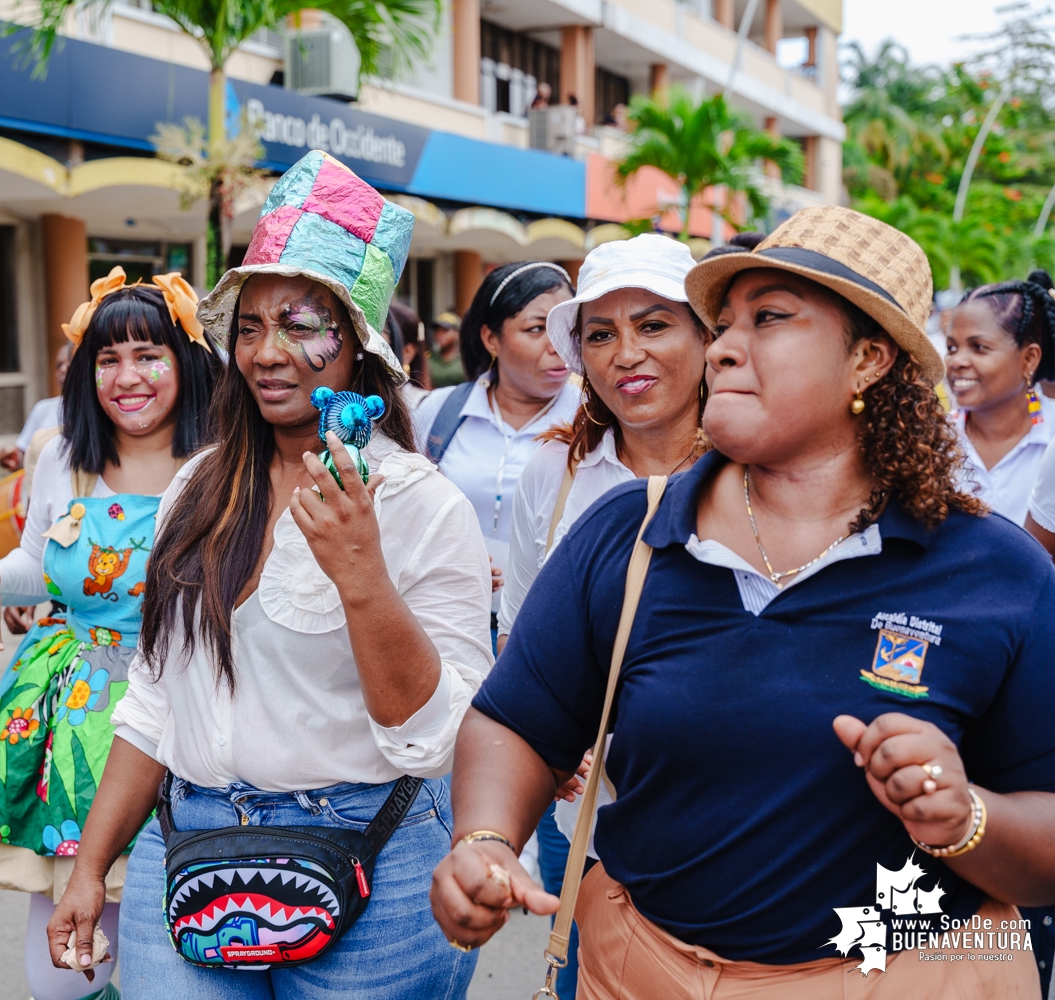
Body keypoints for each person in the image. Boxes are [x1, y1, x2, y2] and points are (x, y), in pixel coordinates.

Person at [432, 207, 1055, 996]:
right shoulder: (635, 532)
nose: (723, 346)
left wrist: (966, 819)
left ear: (867, 358)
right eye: (723, 324)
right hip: (641, 972)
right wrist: (485, 840)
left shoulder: (993, 569)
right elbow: (518, 717)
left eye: (768, 319)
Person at [43, 152, 489, 997]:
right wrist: (89, 867)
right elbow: (154, 697)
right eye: (249, 326)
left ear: (357, 346)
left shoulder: (420, 505)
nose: (268, 352)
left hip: (372, 856)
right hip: (192, 840)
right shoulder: (197, 487)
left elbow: (432, 739)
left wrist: (361, 574)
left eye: (301, 323)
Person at [0, 267, 220, 1000]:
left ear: (185, 360)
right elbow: (37, 560)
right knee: (64, 956)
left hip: (190, 716)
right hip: (76, 715)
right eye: (107, 358)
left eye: (148, 354)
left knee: (175, 934)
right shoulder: (63, 457)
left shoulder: (221, 461)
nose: (128, 377)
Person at [494, 234, 711, 1000]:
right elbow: (521, 638)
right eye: (600, 334)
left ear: (705, 335)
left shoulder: (760, 468)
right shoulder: (554, 473)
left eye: (654, 325)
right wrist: (559, 744)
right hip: (581, 820)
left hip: (725, 817)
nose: (626, 354)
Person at [414, 261, 578, 641]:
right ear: (491, 339)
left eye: (565, 328)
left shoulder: (593, 420)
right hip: (442, 630)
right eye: (537, 329)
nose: (557, 345)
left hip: (548, 634)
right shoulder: (436, 413)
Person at [943, 273, 1055, 526]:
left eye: (979, 347)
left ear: (1029, 359)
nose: (956, 361)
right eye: (951, 347)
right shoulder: (929, 442)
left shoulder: (1052, 441)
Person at [0, 342, 76, 472]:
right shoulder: (43, 409)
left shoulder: (100, 412)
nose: (63, 369)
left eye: (69, 363)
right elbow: (23, 456)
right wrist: (13, 460)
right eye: (58, 366)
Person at [427, 310, 467, 388]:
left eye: (445, 330)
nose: (439, 334)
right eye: (437, 330)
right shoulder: (430, 358)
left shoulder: (467, 358)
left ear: (457, 333)